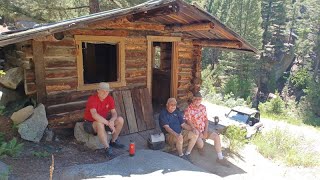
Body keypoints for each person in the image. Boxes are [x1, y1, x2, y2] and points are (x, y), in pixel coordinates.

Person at [184, 92, 229, 167]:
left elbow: (206, 120)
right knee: (201, 143)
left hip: (203, 129)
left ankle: (220, 158)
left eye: (200, 99)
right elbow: (188, 121)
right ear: (193, 99)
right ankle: (199, 148)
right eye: (196, 99)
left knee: (216, 137)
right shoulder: (189, 109)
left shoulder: (203, 107)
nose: (198, 101)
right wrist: (196, 130)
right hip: (195, 131)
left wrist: (205, 131)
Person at [83, 82, 125, 158]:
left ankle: (113, 141)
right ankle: (107, 148)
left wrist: (112, 121)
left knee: (120, 120)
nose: (105, 93)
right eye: (103, 91)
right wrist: (108, 123)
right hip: (89, 124)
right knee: (99, 123)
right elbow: (94, 115)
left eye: (107, 91)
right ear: (98, 90)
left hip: (103, 122)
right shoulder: (92, 99)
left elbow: (114, 113)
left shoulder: (109, 98)